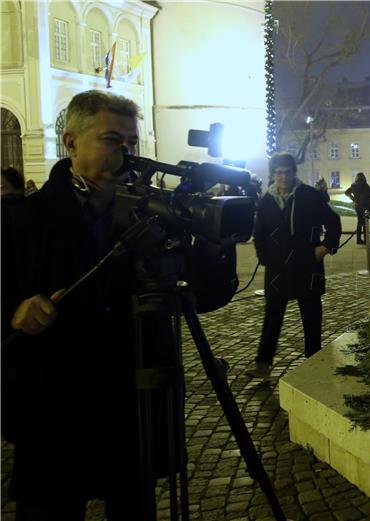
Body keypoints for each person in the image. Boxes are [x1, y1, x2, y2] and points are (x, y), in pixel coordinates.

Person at [1, 90, 238, 520]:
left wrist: (214, 246)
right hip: (54, 407)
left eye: (132, 143)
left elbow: (209, 295)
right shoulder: (20, 219)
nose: (126, 154)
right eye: (112, 141)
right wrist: (14, 310)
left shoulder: (157, 213)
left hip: (134, 405)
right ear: (71, 142)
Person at [247, 153, 341, 378]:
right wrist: (264, 256)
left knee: (311, 314)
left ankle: (313, 359)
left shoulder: (309, 195)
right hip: (277, 267)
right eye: (279, 172)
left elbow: (333, 222)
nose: (283, 176)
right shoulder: (266, 201)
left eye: (287, 172)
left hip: (307, 263)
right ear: (272, 174)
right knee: (272, 315)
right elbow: (259, 232)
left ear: (293, 173)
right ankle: (263, 363)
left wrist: (325, 247)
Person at [344, 172, 370, 244]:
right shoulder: (365, 185)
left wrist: (354, 199)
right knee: (365, 224)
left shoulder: (353, 186)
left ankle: (358, 239)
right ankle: (366, 240)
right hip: (366, 206)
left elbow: (346, 192)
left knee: (359, 223)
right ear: (363, 178)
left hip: (358, 206)